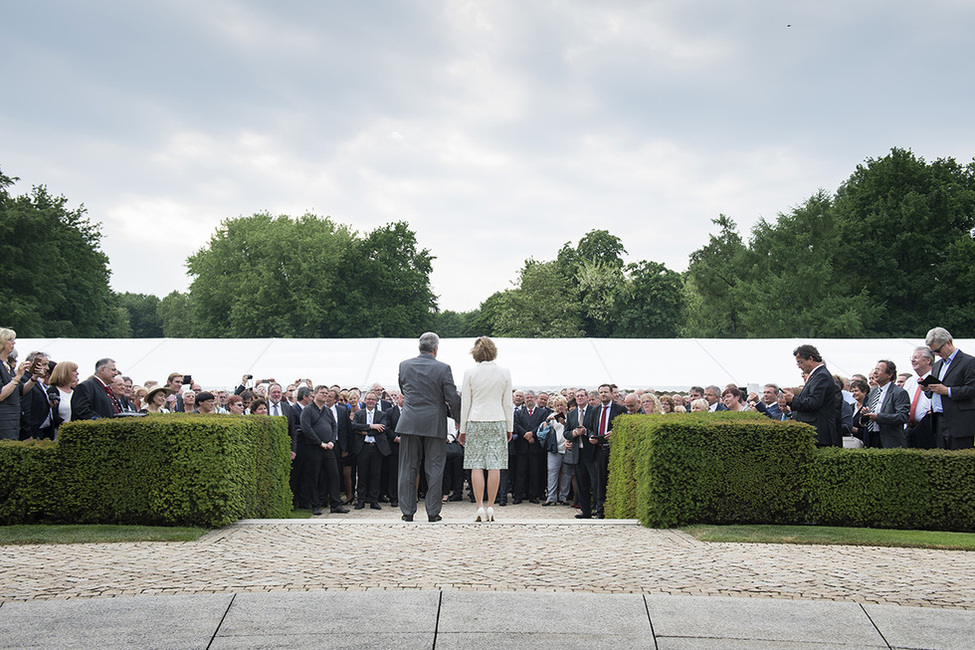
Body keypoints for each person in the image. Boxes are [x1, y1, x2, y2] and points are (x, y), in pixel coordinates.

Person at [395, 332, 461, 523]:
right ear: (436, 349)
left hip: (409, 420)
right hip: (434, 421)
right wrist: (458, 419)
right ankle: (433, 512)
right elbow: (452, 397)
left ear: (419, 347)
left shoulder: (404, 365)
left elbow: (403, 389)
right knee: (435, 468)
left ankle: (407, 511)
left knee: (407, 467)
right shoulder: (443, 368)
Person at [458, 336, 513, 522]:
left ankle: (479, 506)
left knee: (476, 464)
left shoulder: (470, 373)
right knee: (495, 464)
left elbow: (466, 403)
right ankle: (491, 506)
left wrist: (463, 428)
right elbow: (508, 403)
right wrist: (509, 427)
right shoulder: (504, 372)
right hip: (498, 419)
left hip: (475, 419)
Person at [299, 385, 349, 516]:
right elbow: (306, 428)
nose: (324, 395)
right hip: (313, 448)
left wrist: (332, 441)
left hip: (329, 448)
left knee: (334, 475)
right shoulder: (308, 410)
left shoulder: (327, 410)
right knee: (314, 477)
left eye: (326, 393)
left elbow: (334, 426)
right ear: (314, 394)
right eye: (322, 392)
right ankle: (316, 505)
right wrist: (320, 443)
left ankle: (335, 504)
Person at [925, 327, 975, 450]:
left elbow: (972, 388)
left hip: (959, 422)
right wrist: (927, 389)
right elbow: (935, 391)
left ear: (948, 343)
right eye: (933, 352)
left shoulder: (969, 362)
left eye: (937, 350)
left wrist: (948, 391)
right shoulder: (937, 365)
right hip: (938, 420)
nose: (936, 354)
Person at [783, 345, 843, 447]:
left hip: (818, 432)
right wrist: (793, 396)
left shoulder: (821, 375)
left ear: (811, 359)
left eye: (801, 362)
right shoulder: (816, 375)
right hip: (814, 431)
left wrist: (793, 399)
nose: (799, 366)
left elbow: (814, 403)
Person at [350, 391, 391, 510]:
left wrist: (364, 431)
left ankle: (374, 500)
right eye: (368, 399)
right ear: (364, 400)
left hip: (376, 448)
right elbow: (354, 426)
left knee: (375, 474)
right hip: (363, 447)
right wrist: (371, 426)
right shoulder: (359, 414)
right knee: (362, 474)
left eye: (373, 399)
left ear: (376, 401)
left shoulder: (382, 414)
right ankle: (361, 500)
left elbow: (382, 429)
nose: (370, 401)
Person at [858, 360, 909, 448]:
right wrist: (865, 414)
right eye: (875, 369)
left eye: (879, 370)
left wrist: (879, 417)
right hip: (871, 438)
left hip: (889, 440)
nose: (875, 372)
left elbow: (902, 417)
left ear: (889, 375)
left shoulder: (899, 392)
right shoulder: (873, 392)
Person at [0, 328, 38, 440]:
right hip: (3, 420)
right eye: (10, 340)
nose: (14, 343)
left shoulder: (6, 364)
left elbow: (21, 390)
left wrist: (34, 377)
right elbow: (1, 394)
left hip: (14, 420)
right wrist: (18, 376)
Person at [540, 395, 571, 506]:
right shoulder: (552, 415)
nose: (559, 407)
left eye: (561, 405)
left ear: (565, 405)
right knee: (552, 472)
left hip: (567, 448)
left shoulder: (571, 415)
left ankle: (563, 497)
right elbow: (543, 429)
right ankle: (551, 497)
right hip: (554, 448)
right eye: (557, 406)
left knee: (566, 474)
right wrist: (548, 420)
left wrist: (564, 422)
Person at [48, 361, 80, 433]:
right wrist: (64, 424)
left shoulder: (76, 392)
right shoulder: (53, 391)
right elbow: (52, 413)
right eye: (74, 371)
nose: (77, 373)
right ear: (65, 372)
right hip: (58, 433)